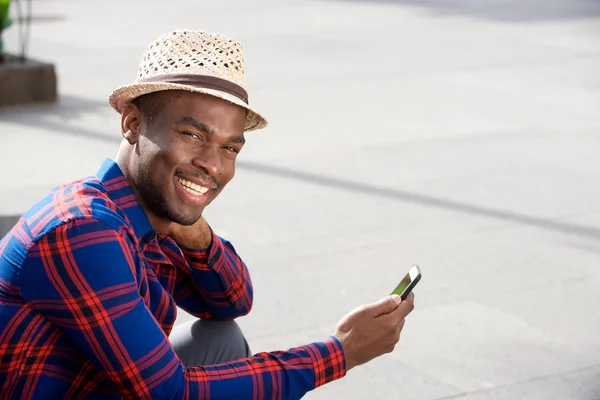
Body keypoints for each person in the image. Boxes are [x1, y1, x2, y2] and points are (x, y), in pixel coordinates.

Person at [0, 29, 415, 399]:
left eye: (230, 148)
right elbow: (167, 391)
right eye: (192, 135)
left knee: (222, 339)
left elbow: (232, 301)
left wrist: (192, 226)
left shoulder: (143, 216)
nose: (214, 165)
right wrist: (339, 353)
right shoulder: (84, 230)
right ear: (131, 123)